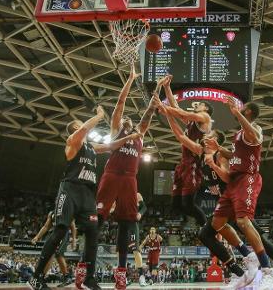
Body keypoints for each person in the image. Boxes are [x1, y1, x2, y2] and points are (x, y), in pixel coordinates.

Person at [28, 106, 142, 290]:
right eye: (80, 125)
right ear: (75, 129)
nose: (84, 126)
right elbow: (83, 130)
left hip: (87, 194)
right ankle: (36, 276)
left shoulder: (91, 147)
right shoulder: (73, 141)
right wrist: (98, 116)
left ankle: (89, 277)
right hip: (70, 190)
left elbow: (111, 146)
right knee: (60, 229)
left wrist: (129, 137)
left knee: (93, 232)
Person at [156, 98, 254, 288]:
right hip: (222, 202)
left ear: (215, 141)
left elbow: (228, 177)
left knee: (233, 230)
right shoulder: (203, 151)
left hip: (232, 200)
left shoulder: (214, 155)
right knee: (205, 230)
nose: (206, 136)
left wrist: (215, 166)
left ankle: (255, 262)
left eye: (210, 135)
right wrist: (168, 110)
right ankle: (240, 268)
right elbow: (180, 133)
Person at [95, 66, 165, 290]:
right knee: (97, 219)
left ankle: (122, 274)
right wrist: (130, 79)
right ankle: (84, 268)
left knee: (127, 224)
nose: (126, 118)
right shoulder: (117, 130)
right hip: (112, 175)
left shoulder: (140, 135)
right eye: (124, 117)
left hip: (130, 180)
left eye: (129, 118)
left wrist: (158, 90)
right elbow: (119, 105)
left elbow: (149, 113)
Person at [204, 97, 273, 290]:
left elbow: (255, 137)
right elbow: (236, 157)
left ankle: (268, 271)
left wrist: (236, 113)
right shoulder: (239, 135)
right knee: (217, 223)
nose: (238, 107)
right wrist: (219, 149)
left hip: (248, 178)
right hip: (234, 179)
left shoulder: (255, 130)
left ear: (247, 113)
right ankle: (249, 256)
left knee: (243, 222)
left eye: (242, 108)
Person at [161, 76, 212, 226]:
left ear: (206, 109)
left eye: (200, 104)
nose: (197, 105)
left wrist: (164, 108)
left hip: (194, 163)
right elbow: (176, 108)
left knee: (188, 204)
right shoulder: (193, 122)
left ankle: (207, 227)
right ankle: (203, 223)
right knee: (176, 205)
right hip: (183, 162)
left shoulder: (205, 117)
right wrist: (167, 88)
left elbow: (181, 114)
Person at [110, 192, 148, 287]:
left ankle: (141, 277)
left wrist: (140, 213)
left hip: (132, 225)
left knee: (136, 250)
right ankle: (123, 278)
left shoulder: (136, 194)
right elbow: (112, 209)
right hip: (122, 224)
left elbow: (144, 207)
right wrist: (111, 210)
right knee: (119, 251)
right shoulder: (118, 195)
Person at [31, 211, 76, 287]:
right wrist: (37, 237)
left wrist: (74, 239)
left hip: (64, 234)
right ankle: (42, 277)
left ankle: (67, 276)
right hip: (55, 234)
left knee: (58, 253)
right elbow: (46, 226)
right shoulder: (52, 213)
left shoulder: (66, 211)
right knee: (49, 254)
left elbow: (73, 226)